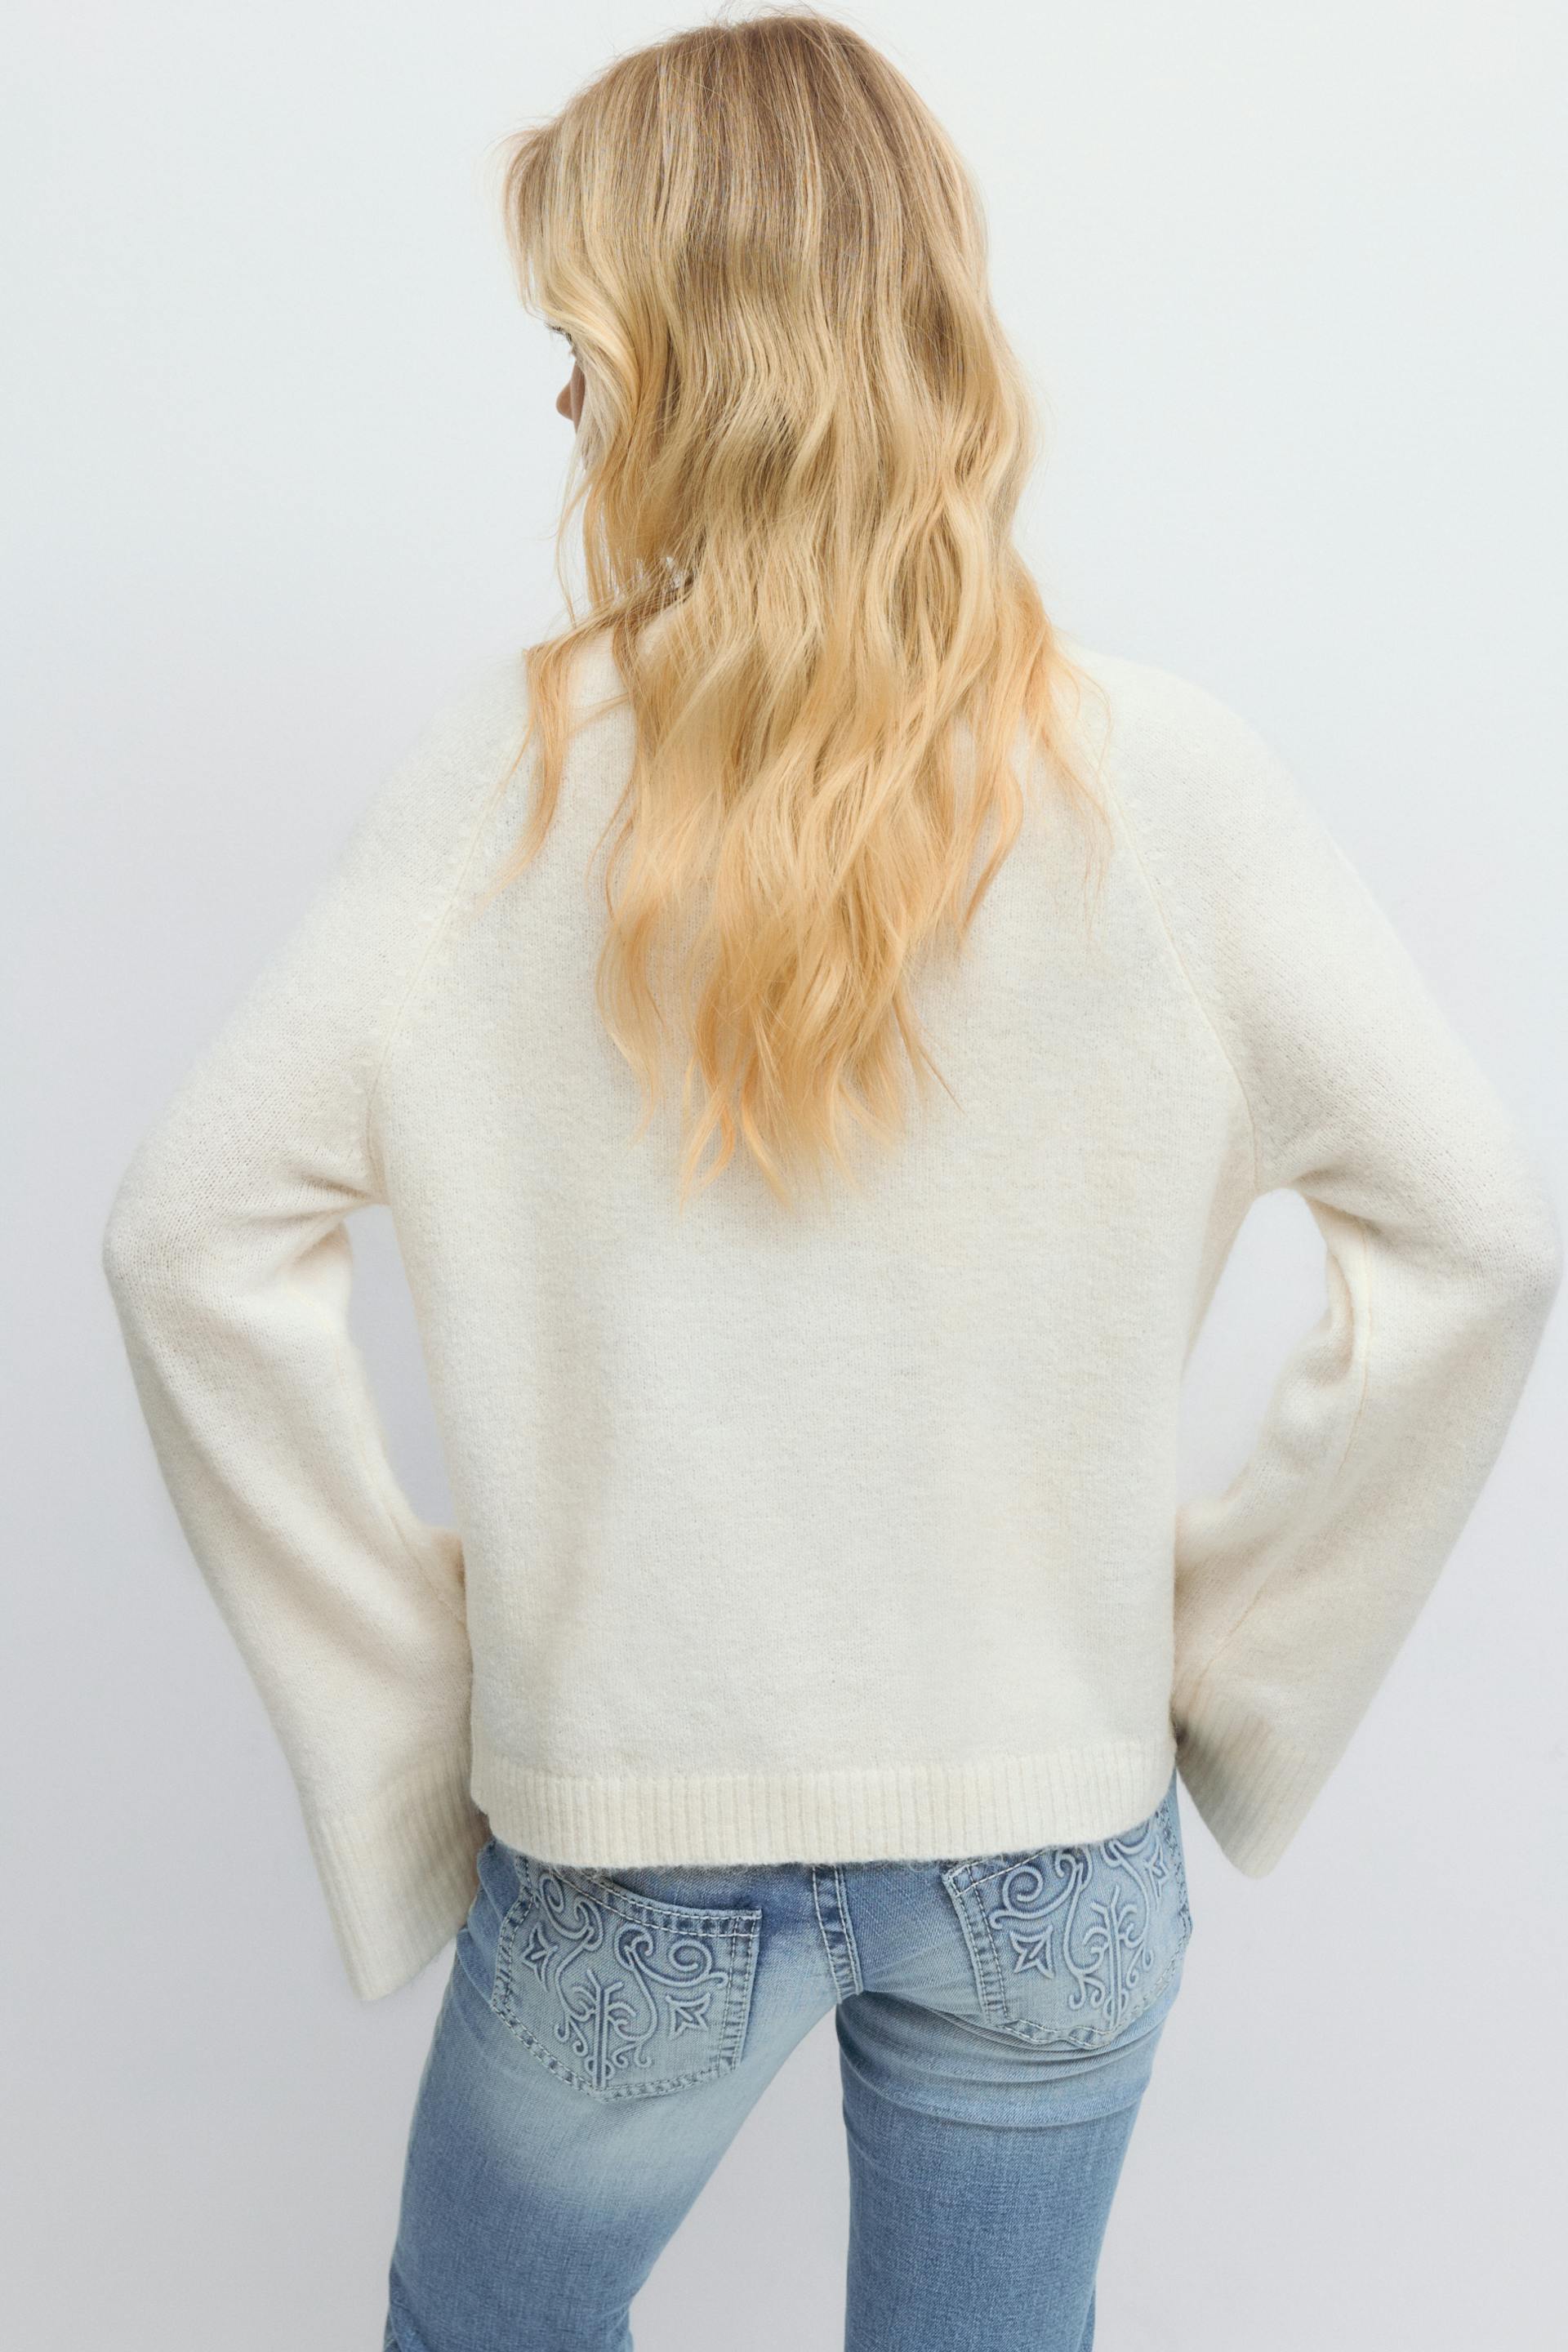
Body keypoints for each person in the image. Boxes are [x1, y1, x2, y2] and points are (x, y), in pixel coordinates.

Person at [100, 12, 1561, 2350]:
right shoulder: (1168, 781)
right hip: (1052, 1842)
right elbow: (1481, 1235)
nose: (561, 402)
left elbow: (188, 1240)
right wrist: (1222, 1664)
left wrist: (421, 1719)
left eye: (580, 344)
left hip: (630, 1858)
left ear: (683, 357)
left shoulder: (512, 774)